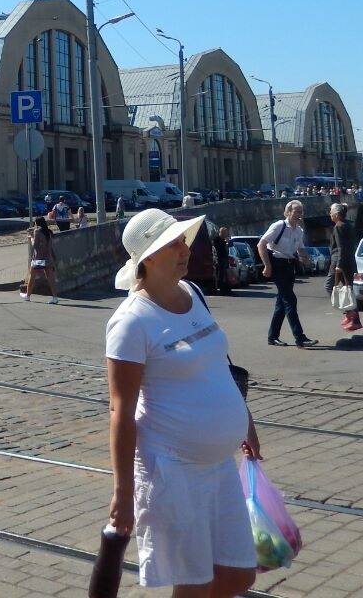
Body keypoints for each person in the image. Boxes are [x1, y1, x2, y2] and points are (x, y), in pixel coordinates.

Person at [106, 208, 260, 596]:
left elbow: (217, 365)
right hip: (172, 470)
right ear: (149, 257)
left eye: (183, 240)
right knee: (195, 584)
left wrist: (245, 419)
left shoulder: (193, 294)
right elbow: (120, 411)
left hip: (219, 467)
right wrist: (123, 495)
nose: (184, 249)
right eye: (172, 243)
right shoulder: (131, 321)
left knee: (239, 574)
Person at [257, 200, 317, 348]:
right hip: (277, 264)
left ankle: (273, 337)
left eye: (300, 211)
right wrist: (267, 266)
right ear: (288, 212)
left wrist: (305, 258)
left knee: (282, 304)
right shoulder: (279, 226)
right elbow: (261, 244)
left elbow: (300, 249)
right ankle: (300, 338)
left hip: (289, 266)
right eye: (296, 211)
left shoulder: (299, 230)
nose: (299, 214)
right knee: (290, 300)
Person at [328, 202, 361, 331]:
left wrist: (339, 265)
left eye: (331, 212)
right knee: (348, 290)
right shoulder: (348, 225)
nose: (330, 215)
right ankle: (354, 319)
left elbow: (341, 247)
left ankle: (349, 312)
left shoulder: (338, 226)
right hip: (348, 262)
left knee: (329, 285)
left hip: (339, 261)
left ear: (336, 214)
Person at [23, 217, 60, 304]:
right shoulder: (48, 232)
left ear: (38, 223)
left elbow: (35, 246)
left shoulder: (37, 231)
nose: (35, 225)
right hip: (47, 258)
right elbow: (50, 247)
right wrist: (54, 258)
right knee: (50, 278)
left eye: (35, 223)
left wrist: (31, 237)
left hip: (38, 258)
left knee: (32, 277)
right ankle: (55, 297)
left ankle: (27, 296)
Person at [212, 226, 232, 295]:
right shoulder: (216, 240)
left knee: (224, 275)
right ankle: (220, 289)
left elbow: (228, 248)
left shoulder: (224, 240)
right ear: (221, 233)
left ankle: (225, 289)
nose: (226, 235)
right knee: (220, 275)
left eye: (226, 233)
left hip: (224, 259)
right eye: (225, 233)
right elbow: (218, 250)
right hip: (219, 260)